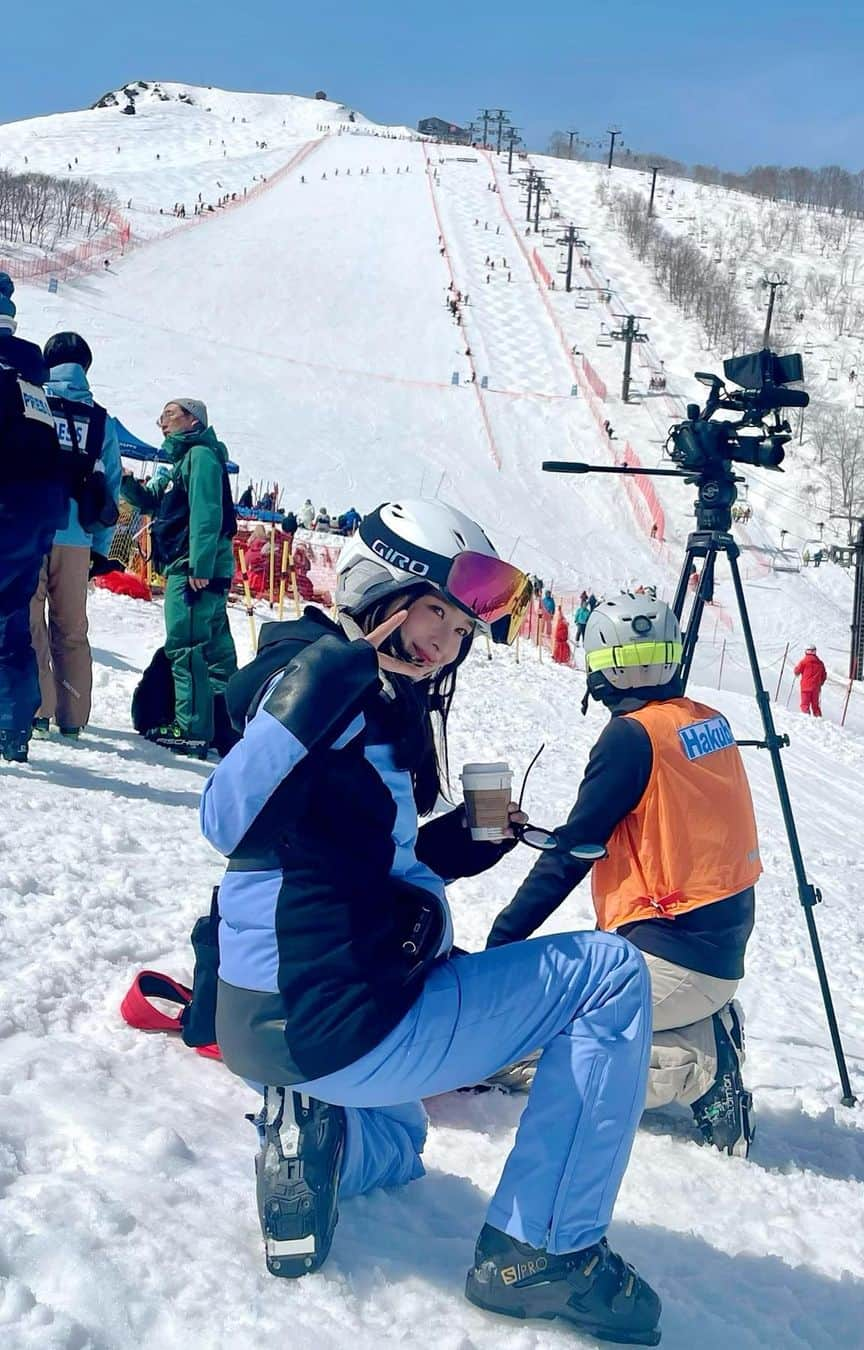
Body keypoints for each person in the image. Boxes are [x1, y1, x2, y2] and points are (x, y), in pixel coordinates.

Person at [198, 500, 662, 1344]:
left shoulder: (377, 705)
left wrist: (465, 840)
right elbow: (230, 818)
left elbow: (356, 854)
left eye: (460, 629)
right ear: (380, 586)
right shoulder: (313, 676)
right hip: (339, 1019)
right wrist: (330, 680)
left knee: (404, 1145)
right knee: (611, 976)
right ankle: (543, 1252)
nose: (447, 641)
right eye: (436, 612)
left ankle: (320, 1132)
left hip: (270, 1027)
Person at [486, 596, 759, 1158]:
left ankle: (696, 1067)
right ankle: (696, 1026)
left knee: (528, 1041)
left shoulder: (632, 737)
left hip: (675, 954)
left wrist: (503, 939)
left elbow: (574, 850)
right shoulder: (705, 721)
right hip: (712, 947)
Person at [120, 398, 238, 756]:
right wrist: (128, 485)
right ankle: (226, 725)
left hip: (192, 570)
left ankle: (191, 728)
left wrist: (198, 566)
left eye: (170, 415)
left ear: (194, 420)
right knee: (217, 653)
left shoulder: (200, 456)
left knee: (184, 646)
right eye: (161, 417)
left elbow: (207, 512)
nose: (163, 423)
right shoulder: (180, 461)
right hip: (204, 569)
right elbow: (153, 501)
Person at [27, 333, 122, 741]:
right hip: (79, 537)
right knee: (71, 628)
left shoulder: (32, 400)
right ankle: (73, 716)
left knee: (31, 620)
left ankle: (38, 709)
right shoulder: (102, 420)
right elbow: (111, 488)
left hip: (32, 528)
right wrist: (99, 550)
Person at [0, 275, 69, 763]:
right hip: (38, 514)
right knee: (11, 622)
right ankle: (13, 727)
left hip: (7, 506)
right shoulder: (32, 384)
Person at [793, 645, 826, 717]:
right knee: (815, 706)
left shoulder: (804, 661)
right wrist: (820, 683)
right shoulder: (820, 663)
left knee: (805, 704)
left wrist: (795, 671)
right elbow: (824, 676)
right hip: (816, 688)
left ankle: (807, 718)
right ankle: (818, 720)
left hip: (805, 687)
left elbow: (797, 671)